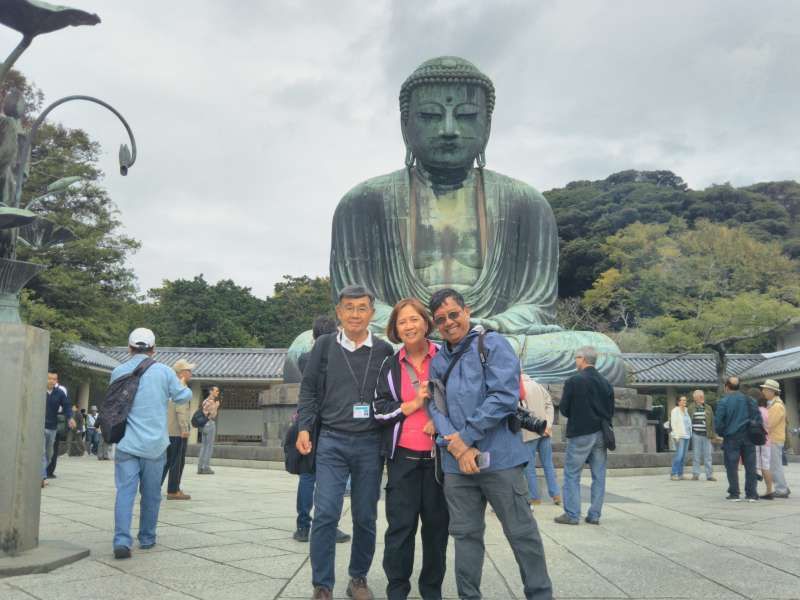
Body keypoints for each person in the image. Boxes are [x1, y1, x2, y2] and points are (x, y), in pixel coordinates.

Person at [427, 288, 552, 600]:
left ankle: (540, 594)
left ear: (466, 311)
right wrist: (457, 447)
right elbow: (435, 406)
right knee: (465, 536)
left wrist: (465, 438)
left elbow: (503, 396)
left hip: (501, 458)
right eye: (441, 319)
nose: (448, 323)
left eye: (453, 314)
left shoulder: (492, 344)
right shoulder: (439, 358)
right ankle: (469, 596)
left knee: (521, 532)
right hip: (457, 465)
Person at [296, 285, 394, 600]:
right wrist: (304, 428)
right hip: (332, 441)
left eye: (362, 307)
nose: (355, 314)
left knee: (365, 516)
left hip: (369, 443)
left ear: (372, 313)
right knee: (325, 512)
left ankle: (358, 579)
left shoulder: (383, 351)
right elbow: (309, 389)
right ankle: (322, 584)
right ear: (339, 311)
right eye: (348, 307)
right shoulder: (324, 346)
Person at [374, 298, 448, 600]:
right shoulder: (390, 365)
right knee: (400, 530)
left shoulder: (445, 356)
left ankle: (431, 590)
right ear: (395, 328)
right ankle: (397, 590)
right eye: (402, 321)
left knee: (436, 530)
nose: (409, 326)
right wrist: (413, 405)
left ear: (426, 322)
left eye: (414, 319)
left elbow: (464, 397)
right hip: (402, 459)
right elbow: (379, 410)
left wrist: (440, 421)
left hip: (438, 460)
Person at [110, 328, 192, 559]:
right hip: (155, 445)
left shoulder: (118, 371)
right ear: (154, 350)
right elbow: (183, 397)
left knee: (125, 492)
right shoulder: (165, 372)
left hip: (126, 443)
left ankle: (121, 541)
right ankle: (146, 537)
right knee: (151, 493)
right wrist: (180, 383)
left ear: (129, 348)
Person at [293, 316, 350, 545]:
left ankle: (303, 525)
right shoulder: (335, 356)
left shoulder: (304, 358)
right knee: (329, 477)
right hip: (328, 421)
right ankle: (328, 525)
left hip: (307, 420)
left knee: (308, 476)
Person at [555, 346, 614, 526]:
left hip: (581, 431)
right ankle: (594, 514)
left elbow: (564, 409)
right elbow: (610, 411)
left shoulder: (574, 381)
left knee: (572, 473)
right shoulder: (606, 383)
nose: (575, 361)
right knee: (599, 475)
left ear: (582, 359)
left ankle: (572, 514)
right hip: (601, 432)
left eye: (576, 358)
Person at [714, 376, 761, 502]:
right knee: (750, 465)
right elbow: (757, 418)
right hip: (749, 436)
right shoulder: (750, 400)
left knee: (731, 465)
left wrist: (722, 433)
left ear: (726, 387)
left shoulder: (723, 401)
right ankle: (751, 493)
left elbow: (718, 422)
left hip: (731, 437)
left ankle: (734, 493)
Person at [520, 374, 561, 506]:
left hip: (529, 432)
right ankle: (555, 494)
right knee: (548, 463)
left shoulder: (519, 387)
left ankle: (535, 497)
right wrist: (548, 425)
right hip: (544, 431)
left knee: (529, 466)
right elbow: (549, 404)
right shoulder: (538, 386)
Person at [162, 359, 195, 500]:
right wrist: (185, 428)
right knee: (177, 462)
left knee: (167, 461)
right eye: (189, 370)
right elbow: (181, 410)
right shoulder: (180, 387)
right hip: (177, 431)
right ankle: (173, 490)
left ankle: (151, 487)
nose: (191, 373)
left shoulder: (169, 386)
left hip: (168, 431)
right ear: (181, 373)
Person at [42, 372, 75, 487]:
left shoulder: (60, 393)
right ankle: (42, 477)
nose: (51, 381)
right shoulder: (39, 390)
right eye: (49, 378)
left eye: (54, 379)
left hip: (52, 427)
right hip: (40, 426)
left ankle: (42, 472)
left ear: (56, 381)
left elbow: (67, 406)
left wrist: (70, 418)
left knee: (49, 453)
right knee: (41, 452)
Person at [762, 379, 790, 498]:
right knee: (774, 465)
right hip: (773, 438)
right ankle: (783, 487)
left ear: (772, 391)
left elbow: (770, 424)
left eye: (765, 389)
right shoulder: (773, 404)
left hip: (774, 439)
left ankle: (781, 489)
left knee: (775, 465)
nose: (763, 391)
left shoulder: (777, 406)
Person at [688, 390, 717, 481]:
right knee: (696, 455)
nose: (702, 398)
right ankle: (696, 474)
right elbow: (688, 421)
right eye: (699, 397)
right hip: (696, 434)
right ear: (695, 398)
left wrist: (713, 435)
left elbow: (712, 422)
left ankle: (709, 475)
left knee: (708, 456)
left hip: (706, 434)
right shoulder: (691, 407)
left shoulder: (708, 408)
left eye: (702, 396)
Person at [197, 386, 220, 474]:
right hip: (209, 424)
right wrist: (216, 406)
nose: (217, 392)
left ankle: (200, 467)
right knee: (209, 447)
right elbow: (212, 415)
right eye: (216, 391)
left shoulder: (204, 401)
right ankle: (205, 467)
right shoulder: (211, 402)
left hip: (204, 425)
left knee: (204, 446)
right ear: (211, 392)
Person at [669, 396, 692, 480]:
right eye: (683, 400)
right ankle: (673, 473)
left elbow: (688, 423)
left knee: (683, 456)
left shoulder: (686, 410)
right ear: (678, 402)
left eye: (685, 400)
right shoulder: (675, 411)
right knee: (679, 455)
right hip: (679, 436)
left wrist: (690, 433)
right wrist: (676, 436)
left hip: (687, 436)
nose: (684, 401)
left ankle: (680, 474)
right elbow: (673, 424)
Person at [755, 397, 773, 498]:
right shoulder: (768, 411)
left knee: (758, 467)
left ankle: (754, 490)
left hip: (759, 442)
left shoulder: (758, 411)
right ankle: (769, 490)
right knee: (766, 466)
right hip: (767, 441)